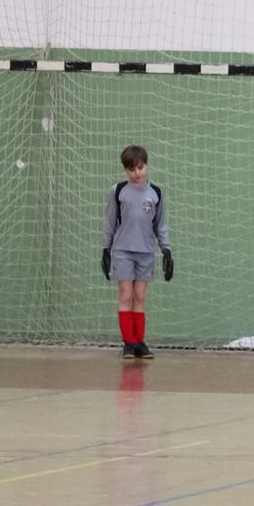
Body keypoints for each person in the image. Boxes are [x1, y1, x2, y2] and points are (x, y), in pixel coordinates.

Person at [101, 145, 173, 360]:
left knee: (140, 297)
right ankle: (129, 343)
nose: (136, 173)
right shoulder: (118, 191)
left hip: (146, 252)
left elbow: (160, 225)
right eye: (131, 169)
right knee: (126, 295)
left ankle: (139, 342)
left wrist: (166, 249)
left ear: (146, 166)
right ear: (126, 170)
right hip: (123, 251)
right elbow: (110, 222)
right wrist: (106, 248)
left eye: (140, 168)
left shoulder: (156, 193)